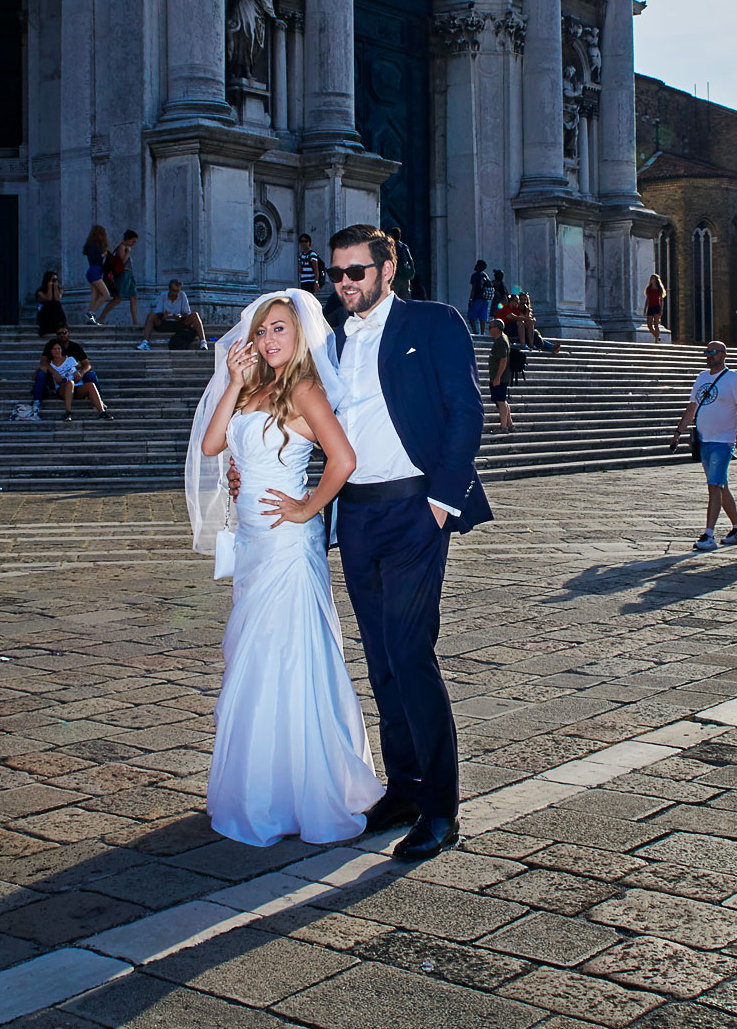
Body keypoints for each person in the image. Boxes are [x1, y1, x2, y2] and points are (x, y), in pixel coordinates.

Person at [230, 226, 490, 861]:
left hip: (416, 508)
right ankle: (403, 789)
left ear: (387, 267)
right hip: (355, 515)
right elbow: (305, 423)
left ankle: (441, 810)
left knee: (410, 652)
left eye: (357, 271)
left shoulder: (434, 323)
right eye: (337, 273)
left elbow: (466, 410)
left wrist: (441, 501)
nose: (345, 283)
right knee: (379, 658)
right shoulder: (329, 340)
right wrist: (255, 464)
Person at [194, 292, 380, 846]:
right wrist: (234, 382)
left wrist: (307, 507)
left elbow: (343, 459)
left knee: (288, 657)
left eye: (279, 328)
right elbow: (211, 444)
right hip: (252, 544)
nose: (268, 339)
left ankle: (303, 791)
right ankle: (264, 788)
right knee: (253, 655)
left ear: (299, 334)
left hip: (287, 544)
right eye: (261, 331)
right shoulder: (253, 389)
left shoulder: (304, 389)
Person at [668, 341, 737, 551]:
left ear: (724, 355)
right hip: (704, 440)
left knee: (714, 485)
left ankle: (709, 534)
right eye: (707, 352)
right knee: (720, 485)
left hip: (723, 441)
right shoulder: (702, 377)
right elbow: (692, 407)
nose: (709, 355)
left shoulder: (735, 379)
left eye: (713, 352)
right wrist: (678, 432)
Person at [138, 280, 208, 351]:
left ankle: (203, 342)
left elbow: (187, 313)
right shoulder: (163, 296)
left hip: (178, 323)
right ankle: (145, 342)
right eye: (173, 291)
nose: (175, 293)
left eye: (177, 291)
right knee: (151, 315)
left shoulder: (182, 295)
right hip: (165, 323)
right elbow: (157, 312)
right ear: (169, 289)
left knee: (195, 315)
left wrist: (180, 316)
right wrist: (163, 315)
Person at [98, 230, 140, 326]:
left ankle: (135, 320)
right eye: (132, 241)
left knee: (133, 297)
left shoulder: (125, 247)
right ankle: (101, 317)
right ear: (127, 239)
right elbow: (122, 261)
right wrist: (128, 252)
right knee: (117, 298)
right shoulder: (122, 247)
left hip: (129, 274)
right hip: (123, 275)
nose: (133, 243)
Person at [486, 318, 515, 433]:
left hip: (500, 377)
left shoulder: (501, 341)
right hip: (500, 376)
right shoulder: (502, 339)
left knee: (500, 402)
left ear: (497, 328)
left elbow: (503, 360)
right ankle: (510, 424)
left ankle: (503, 427)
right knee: (502, 400)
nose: (489, 329)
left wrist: (498, 377)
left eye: (490, 327)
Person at [81, 225, 113, 323]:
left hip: (95, 271)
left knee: (95, 296)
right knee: (106, 295)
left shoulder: (93, 245)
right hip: (94, 271)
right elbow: (94, 259)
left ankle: (90, 319)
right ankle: (91, 313)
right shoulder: (93, 245)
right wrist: (103, 255)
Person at [33, 270, 67, 337]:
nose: (55, 281)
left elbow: (57, 299)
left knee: (57, 304)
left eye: (56, 280)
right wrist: (49, 286)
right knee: (49, 304)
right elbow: (48, 299)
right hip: (46, 312)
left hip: (57, 313)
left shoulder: (59, 289)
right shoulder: (40, 292)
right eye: (53, 280)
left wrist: (55, 286)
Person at [467, 260, 492, 336]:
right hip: (485, 299)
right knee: (483, 317)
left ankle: (475, 331)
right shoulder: (485, 275)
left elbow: (473, 288)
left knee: (471, 315)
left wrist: (470, 300)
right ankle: (482, 332)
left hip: (477, 298)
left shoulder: (475, 276)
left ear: (478, 266)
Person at [643, 273, 666, 343]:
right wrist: (645, 308)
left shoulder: (659, 289)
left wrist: (661, 310)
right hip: (650, 307)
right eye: (651, 279)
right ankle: (657, 336)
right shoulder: (649, 289)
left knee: (656, 324)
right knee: (649, 325)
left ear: (656, 280)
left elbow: (661, 300)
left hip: (657, 307)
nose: (651, 280)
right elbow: (647, 299)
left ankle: (656, 341)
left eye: (653, 279)